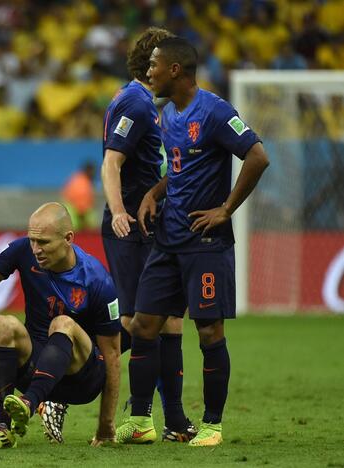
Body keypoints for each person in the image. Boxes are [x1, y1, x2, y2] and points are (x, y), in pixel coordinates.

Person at [126, 36, 269, 447]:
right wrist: (155, 193)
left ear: (175, 70)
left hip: (206, 244)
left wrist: (226, 208)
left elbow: (258, 156)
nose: (147, 71)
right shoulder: (169, 112)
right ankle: (139, 420)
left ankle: (211, 424)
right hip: (168, 240)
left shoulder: (216, 111)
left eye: (153, 65)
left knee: (209, 332)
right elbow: (181, 167)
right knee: (144, 325)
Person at [0, 202, 121, 448]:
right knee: (2, 324)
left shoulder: (97, 279)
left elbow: (112, 355)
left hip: (82, 379)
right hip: (37, 367)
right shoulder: (23, 251)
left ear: (68, 238)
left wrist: (106, 426)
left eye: (44, 243)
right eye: (32, 240)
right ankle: (3, 428)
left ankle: (29, 403)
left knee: (62, 323)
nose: (36, 249)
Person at [100, 27, 196, 444]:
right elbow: (110, 163)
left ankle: (172, 418)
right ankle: (64, 377)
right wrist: (120, 211)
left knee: (170, 320)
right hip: (133, 227)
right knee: (142, 321)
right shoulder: (135, 104)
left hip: (154, 225)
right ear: (151, 64)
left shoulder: (144, 103)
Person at [61, 162, 97, 230]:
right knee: (73, 223)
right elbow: (77, 197)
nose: (94, 173)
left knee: (92, 219)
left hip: (84, 209)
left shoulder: (88, 182)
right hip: (73, 207)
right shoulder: (79, 180)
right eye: (92, 171)